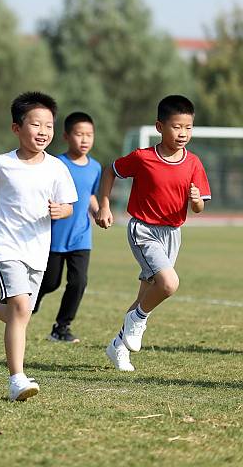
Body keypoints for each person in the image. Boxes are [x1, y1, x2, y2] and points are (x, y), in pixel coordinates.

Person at [0, 91, 78, 401]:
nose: (43, 132)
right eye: (35, 124)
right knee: (22, 309)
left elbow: (69, 205)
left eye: (49, 126)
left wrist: (60, 211)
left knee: (18, 314)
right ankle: (17, 380)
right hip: (6, 247)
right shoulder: (2, 164)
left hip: (38, 251)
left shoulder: (56, 167)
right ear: (16, 128)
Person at [96, 95, 211, 371]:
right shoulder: (142, 158)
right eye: (176, 127)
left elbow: (197, 208)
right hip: (143, 229)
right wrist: (104, 205)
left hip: (173, 234)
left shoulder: (193, 162)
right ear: (159, 126)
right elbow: (110, 171)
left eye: (188, 127)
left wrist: (195, 199)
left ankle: (118, 347)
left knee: (146, 294)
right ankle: (137, 321)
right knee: (169, 284)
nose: (183, 133)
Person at [32, 112, 101, 343]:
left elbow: (89, 195)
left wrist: (99, 212)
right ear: (66, 136)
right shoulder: (55, 164)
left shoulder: (96, 167)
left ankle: (61, 327)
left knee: (79, 281)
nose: (84, 139)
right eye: (79, 134)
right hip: (53, 235)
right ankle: (26, 306)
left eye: (89, 135)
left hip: (81, 236)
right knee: (50, 282)